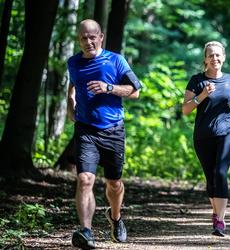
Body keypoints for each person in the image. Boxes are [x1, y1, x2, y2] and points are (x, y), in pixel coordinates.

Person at [67, 19, 142, 249]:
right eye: (83, 38)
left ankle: (116, 217)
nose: (88, 41)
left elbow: (135, 90)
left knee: (114, 183)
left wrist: (109, 87)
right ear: (79, 39)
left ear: (101, 37)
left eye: (92, 37)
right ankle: (86, 231)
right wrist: (71, 104)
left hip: (113, 129)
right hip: (85, 129)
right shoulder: (73, 62)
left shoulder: (116, 60)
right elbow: (73, 85)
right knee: (84, 179)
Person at [182, 41, 230, 237]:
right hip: (203, 136)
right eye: (211, 55)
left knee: (220, 172)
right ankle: (216, 213)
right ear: (205, 59)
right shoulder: (196, 80)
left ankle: (220, 221)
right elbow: (186, 109)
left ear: (224, 57)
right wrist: (202, 95)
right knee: (211, 177)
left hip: (228, 131)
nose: (215, 58)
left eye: (218, 55)